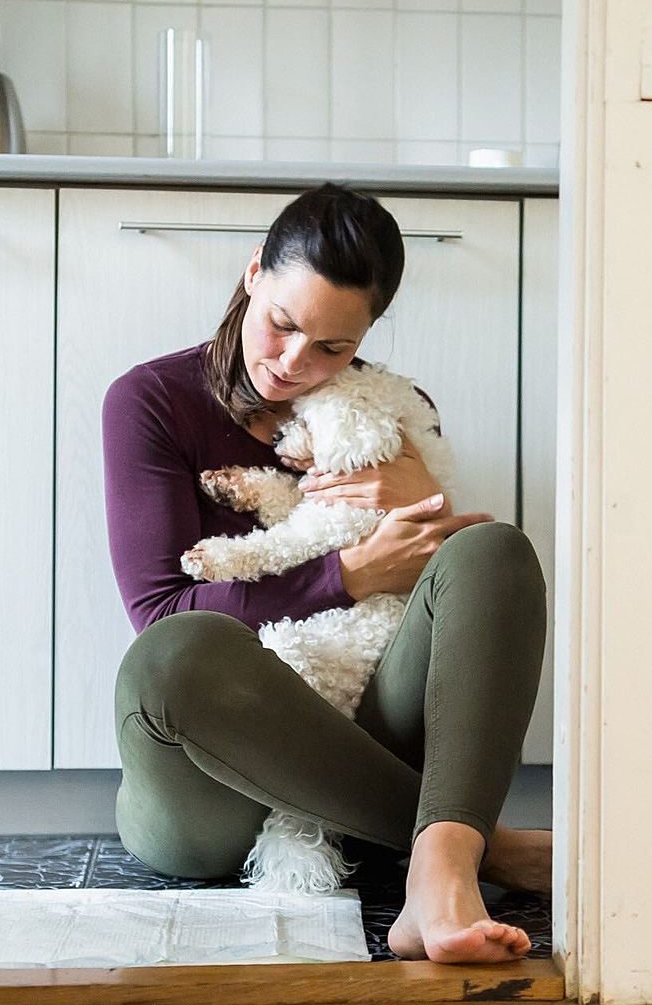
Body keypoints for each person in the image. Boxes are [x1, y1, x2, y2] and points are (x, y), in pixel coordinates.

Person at [102, 182, 550, 964]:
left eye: (334, 348)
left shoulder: (394, 413)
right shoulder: (151, 402)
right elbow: (158, 610)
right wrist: (345, 575)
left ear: (367, 335)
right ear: (253, 276)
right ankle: (479, 845)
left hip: (367, 722)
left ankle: (438, 869)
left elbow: (445, 599)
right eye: (281, 325)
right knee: (174, 654)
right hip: (213, 793)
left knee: (493, 551)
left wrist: (427, 499)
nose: (294, 364)